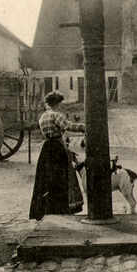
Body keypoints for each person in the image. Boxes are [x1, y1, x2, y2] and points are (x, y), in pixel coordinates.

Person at [29, 91, 86, 220]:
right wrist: (84, 127)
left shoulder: (42, 116)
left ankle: (46, 209)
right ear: (57, 103)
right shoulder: (56, 115)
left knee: (47, 179)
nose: (61, 106)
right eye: (60, 103)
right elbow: (68, 126)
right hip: (57, 149)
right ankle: (60, 209)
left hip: (46, 148)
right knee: (61, 179)